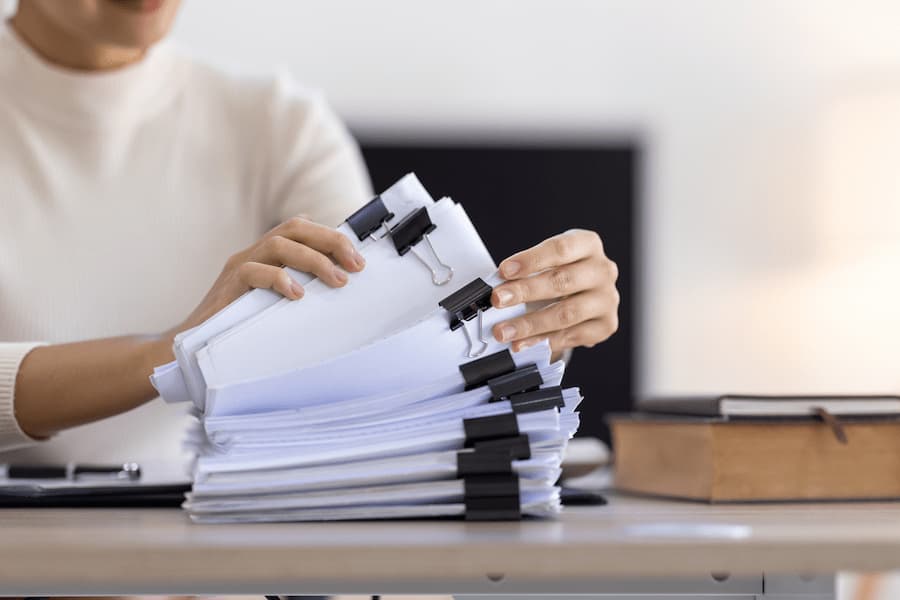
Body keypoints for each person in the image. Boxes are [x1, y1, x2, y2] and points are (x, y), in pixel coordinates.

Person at [0, 0, 620, 462]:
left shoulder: (276, 120)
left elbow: (375, 342)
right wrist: (183, 349)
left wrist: (521, 326)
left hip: (224, 566)